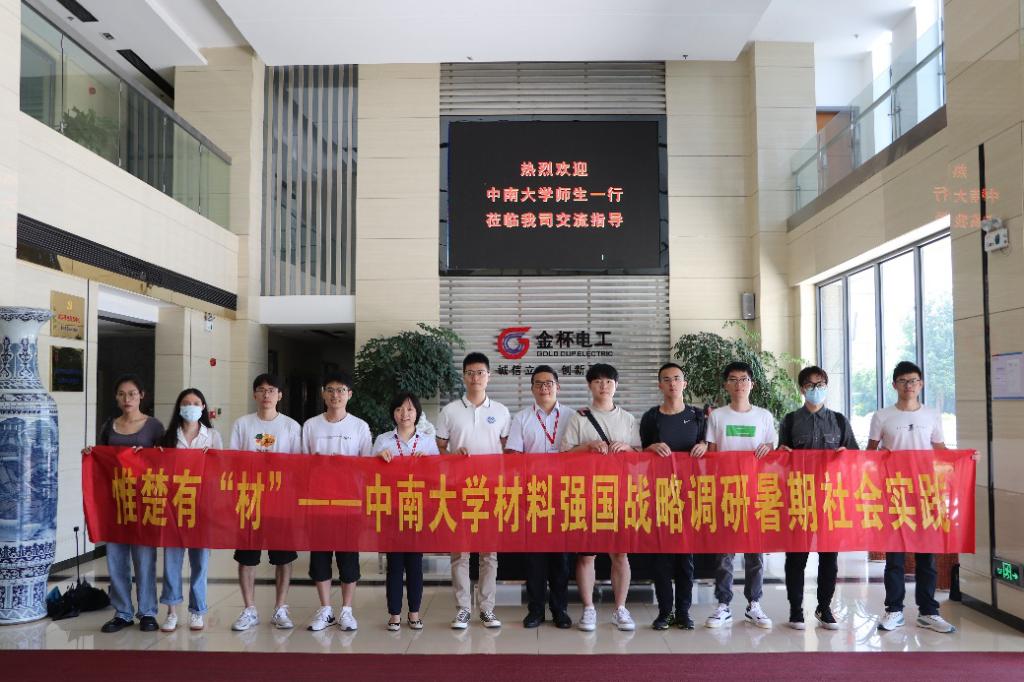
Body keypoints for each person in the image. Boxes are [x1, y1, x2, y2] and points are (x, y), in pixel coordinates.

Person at [868, 361, 956, 634]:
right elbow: (869, 454)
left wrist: (964, 458)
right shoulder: (882, 416)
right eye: (904, 381)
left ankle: (928, 611)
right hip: (895, 492)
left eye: (914, 380)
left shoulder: (932, 415)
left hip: (926, 492)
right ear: (894, 385)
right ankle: (894, 610)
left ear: (921, 384)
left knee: (926, 555)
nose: (909, 385)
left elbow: (940, 450)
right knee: (894, 557)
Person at [561, 363, 641, 632]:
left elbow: (640, 456)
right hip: (587, 494)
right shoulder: (579, 417)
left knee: (620, 554)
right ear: (589, 385)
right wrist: (587, 447)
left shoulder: (628, 419)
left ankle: (620, 608)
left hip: (620, 494)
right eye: (597, 381)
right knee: (587, 555)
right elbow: (564, 455)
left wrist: (626, 447)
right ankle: (588, 609)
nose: (603, 386)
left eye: (608, 381)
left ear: (616, 385)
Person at [777, 366, 858, 631]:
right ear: (802, 389)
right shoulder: (790, 421)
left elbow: (856, 458)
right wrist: (782, 454)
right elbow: (780, 460)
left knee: (829, 558)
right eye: (810, 385)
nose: (816, 389)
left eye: (820, 384)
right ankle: (796, 609)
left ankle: (824, 607)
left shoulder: (839, 421)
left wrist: (846, 455)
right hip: (799, 498)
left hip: (829, 499)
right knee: (796, 557)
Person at [436, 352, 511, 630]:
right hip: (458, 490)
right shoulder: (450, 411)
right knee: (460, 552)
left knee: (489, 553)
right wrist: (453, 455)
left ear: (489, 376)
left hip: (491, 490)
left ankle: (487, 609)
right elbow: (439, 448)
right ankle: (463, 609)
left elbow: (509, 451)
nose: (475, 377)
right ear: (464, 376)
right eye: (470, 372)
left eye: (480, 372)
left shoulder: (501, 411)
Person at [702, 361, 776, 630]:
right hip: (726, 492)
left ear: (751, 384)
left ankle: (754, 604)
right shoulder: (717, 416)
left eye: (743, 379)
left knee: (755, 553)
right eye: (733, 379)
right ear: (726, 385)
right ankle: (723, 605)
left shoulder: (764, 416)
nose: (739, 384)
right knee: (724, 552)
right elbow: (711, 453)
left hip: (756, 492)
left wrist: (768, 448)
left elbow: (772, 449)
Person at [229, 373, 303, 632]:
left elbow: (298, 465)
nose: (266, 394)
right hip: (249, 499)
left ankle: (280, 608)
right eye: (261, 390)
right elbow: (233, 462)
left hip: (280, 500)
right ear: (254, 395)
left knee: (283, 557)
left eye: (272, 390)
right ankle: (249, 609)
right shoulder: (242, 424)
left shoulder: (291, 426)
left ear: (280, 395)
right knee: (247, 556)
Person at [302, 371, 373, 633]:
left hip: (348, 503)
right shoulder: (311, 426)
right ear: (323, 394)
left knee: (348, 558)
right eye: (330, 390)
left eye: (341, 390)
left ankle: (346, 610)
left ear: (349, 395)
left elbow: (367, 466)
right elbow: (302, 464)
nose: (335, 395)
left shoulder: (360, 427)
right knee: (320, 557)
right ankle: (325, 609)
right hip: (318, 501)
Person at [93, 374, 165, 633]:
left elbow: (165, 462)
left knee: (144, 558)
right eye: (122, 394)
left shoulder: (154, 427)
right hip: (115, 501)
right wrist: (90, 454)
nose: (127, 399)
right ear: (116, 397)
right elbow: (100, 459)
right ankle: (122, 612)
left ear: (141, 396)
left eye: (132, 393)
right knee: (116, 558)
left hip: (144, 500)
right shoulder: (109, 426)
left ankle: (147, 611)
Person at [639, 362, 708, 631]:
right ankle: (664, 612)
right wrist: (650, 448)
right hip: (660, 494)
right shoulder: (651, 417)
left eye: (677, 378)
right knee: (662, 558)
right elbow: (639, 454)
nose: (672, 384)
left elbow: (709, 448)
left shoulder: (698, 416)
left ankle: (683, 612)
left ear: (684, 384)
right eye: (666, 379)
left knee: (685, 558)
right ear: (660, 385)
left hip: (690, 494)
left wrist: (704, 446)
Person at [505, 365, 573, 630]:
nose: (544, 388)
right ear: (532, 388)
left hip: (565, 494)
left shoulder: (572, 416)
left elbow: (580, 453)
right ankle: (535, 610)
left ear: (558, 387)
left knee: (561, 558)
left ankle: (560, 610)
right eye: (539, 384)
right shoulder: (522, 418)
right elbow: (513, 456)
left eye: (549, 383)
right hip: (533, 494)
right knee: (534, 558)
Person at [373, 391, 439, 631]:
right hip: (391, 510)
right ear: (393, 413)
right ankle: (394, 614)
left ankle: (414, 613)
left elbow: (438, 477)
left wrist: (428, 463)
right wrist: (377, 459)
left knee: (414, 564)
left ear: (417, 413)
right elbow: (369, 475)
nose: (405, 414)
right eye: (399, 409)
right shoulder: (383, 440)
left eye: (410, 409)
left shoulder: (427, 441)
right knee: (394, 564)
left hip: (418, 509)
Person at [157, 388, 222, 632]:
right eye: (186, 403)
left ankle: (197, 610)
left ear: (203, 407)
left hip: (202, 507)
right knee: (172, 561)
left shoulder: (212, 436)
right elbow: (156, 469)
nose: (191, 407)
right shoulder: (168, 437)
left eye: (196, 403)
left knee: (200, 562)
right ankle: (172, 611)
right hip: (173, 507)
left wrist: (210, 459)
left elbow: (221, 470)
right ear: (179, 407)